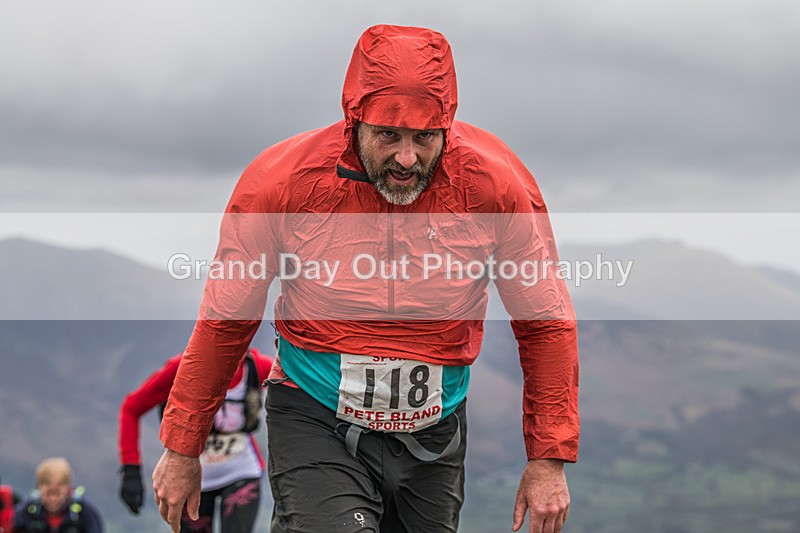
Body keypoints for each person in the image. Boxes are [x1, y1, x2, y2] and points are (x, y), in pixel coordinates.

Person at [154, 24, 579, 533]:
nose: (407, 158)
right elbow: (227, 320)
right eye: (387, 136)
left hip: (434, 431)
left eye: (424, 138)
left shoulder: (496, 185)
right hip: (316, 417)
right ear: (354, 121)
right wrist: (182, 448)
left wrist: (548, 458)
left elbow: (545, 323)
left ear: (447, 125)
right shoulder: (282, 182)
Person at [118, 347, 272, 533]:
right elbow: (131, 409)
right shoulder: (182, 367)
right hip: (191, 478)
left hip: (242, 471)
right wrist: (131, 471)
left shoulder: (257, 366)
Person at [12, 458, 103, 533]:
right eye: (48, 493)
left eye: (57, 493)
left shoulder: (84, 512)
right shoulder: (28, 510)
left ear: (68, 489)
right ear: (38, 488)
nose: (53, 499)